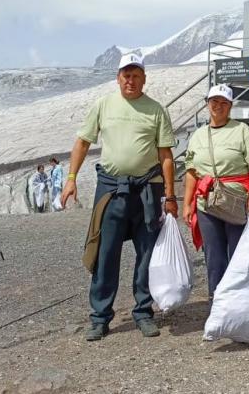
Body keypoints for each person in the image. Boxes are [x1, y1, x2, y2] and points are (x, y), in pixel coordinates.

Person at [60, 53, 177, 342]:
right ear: (118, 77)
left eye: (136, 75)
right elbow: (83, 142)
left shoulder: (156, 110)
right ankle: (100, 317)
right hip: (111, 189)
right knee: (105, 253)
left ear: (144, 78)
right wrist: (71, 179)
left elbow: (166, 156)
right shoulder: (103, 105)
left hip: (148, 190)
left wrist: (171, 195)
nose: (131, 80)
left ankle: (143, 312)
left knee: (147, 253)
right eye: (126, 74)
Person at [182, 84, 249, 298]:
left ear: (230, 106)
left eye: (223, 102)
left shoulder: (242, 131)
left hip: (235, 200)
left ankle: (241, 303)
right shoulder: (198, 135)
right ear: (207, 104)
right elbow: (191, 172)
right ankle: (218, 305)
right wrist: (187, 204)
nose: (218, 106)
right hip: (206, 202)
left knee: (240, 254)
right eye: (214, 101)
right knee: (213, 256)